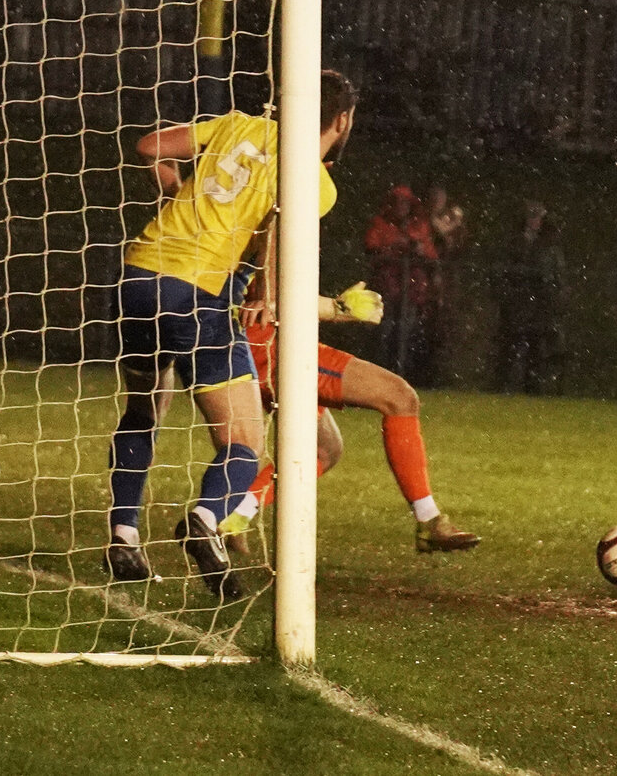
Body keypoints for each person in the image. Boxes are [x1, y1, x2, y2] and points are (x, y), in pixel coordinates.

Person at [105, 70, 357, 598]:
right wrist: (270, 293)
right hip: (198, 293)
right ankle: (204, 521)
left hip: (138, 275)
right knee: (243, 441)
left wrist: (175, 190)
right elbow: (279, 227)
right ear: (342, 119)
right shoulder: (314, 179)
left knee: (145, 408)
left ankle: (123, 535)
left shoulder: (238, 124)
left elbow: (149, 146)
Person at [222, 283, 480, 554]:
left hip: (259, 343)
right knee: (399, 397)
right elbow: (272, 301)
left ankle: (232, 517)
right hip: (269, 346)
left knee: (324, 450)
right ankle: (428, 519)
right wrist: (338, 308)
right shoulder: (268, 254)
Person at [363, 184, 440, 384]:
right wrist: (396, 247)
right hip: (388, 289)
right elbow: (371, 247)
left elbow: (431, 255)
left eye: (405, 203)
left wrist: (416, 249)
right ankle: (382, 374)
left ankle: (406, 375)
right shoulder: (381, 223)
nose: (401, 207)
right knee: (385, 332)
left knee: (409, 333)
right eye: (397, 202)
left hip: (412, 291)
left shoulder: (418, 225)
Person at [493, 200, 567, 394]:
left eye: (537, 216)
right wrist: (508, 290)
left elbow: (557, 272)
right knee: (511, 344)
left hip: (539, 301)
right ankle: (505, 385)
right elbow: (503, 269)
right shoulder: (515, 241)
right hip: (518, 300)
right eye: (531, 216)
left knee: (536, 346)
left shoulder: (549, 243)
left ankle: (532, 386)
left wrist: (554, 294)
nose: (534, 220)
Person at [424, 184, 467, 387]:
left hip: (445, 281)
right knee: (427, 327)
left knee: (444, 328)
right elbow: (437, 233)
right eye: (434, 198)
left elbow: (458, 244)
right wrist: (453, 222)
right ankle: (424, 373)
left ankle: (439, 375)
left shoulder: (447, 221)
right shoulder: (427, 220)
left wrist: (456, 224)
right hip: (426, 281)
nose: (437, 202)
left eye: (440, 198)